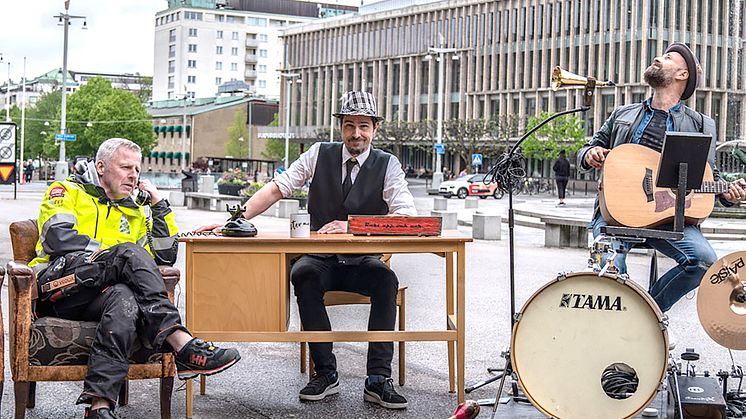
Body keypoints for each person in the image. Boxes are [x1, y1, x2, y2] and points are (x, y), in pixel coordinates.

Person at [196, 91, 416, 409]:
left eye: (364, 126)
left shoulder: (388, 165)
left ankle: (378, 379)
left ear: (375, 129)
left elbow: (405, 216)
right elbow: (276, 188)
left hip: (363, 259)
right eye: (350, 125)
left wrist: (352, 225)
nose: (357, 133)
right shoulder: (318, 154)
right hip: (320, 258)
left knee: (386, 280)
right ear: (340, 127)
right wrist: (231, 221)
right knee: (303, 273)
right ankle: (325, 372)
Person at [30, 138, 241, 419]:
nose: (134, 175)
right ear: (101, 167)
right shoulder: (65, 190)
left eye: (138, 170)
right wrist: (115, 255)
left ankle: (99, 406)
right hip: (60, 288)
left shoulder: (134, 210)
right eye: (126, 167)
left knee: (125, 300)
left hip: (102, 296)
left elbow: (164, 257)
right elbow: (58, 239)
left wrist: (158, 204)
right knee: (128, 254)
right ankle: (181, 342)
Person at [577, 42, 746, 314]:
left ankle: (646, 316)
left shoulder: (702, 124)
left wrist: (726, 192)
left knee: (703, 261)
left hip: (669, 218)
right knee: (608, 274)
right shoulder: (623, 114)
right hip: (614, 217)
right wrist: (590, 154)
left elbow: (707, 176)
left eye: (667, 57)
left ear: (682, 74)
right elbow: (584, 151)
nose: (657, 58)